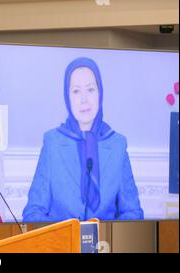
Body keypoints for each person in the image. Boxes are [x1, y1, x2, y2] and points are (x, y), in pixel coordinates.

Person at [22, 57, 144, 222]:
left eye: (90, 90)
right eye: (76, 91)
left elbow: (133, 212)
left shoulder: (117, 145)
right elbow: (33, 213)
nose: (84, 100)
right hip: (61, 244)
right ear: (67, 96)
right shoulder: (53, 143)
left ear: (100, 93)